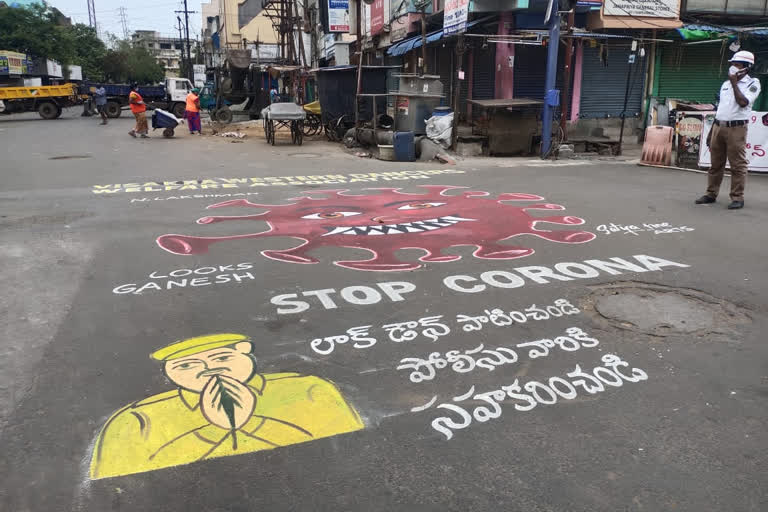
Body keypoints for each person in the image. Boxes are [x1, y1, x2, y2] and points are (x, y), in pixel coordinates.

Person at [89, 333, 364, 479]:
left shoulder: (307, 388)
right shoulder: (138, 419)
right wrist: (216, 426)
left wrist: (248, 419)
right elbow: (117, 480)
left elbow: (346, 448)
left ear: (244, 351)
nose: (208, 370)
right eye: (186, 365)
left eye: (221, 358)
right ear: (169, 371)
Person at [696, 50, 761, 210]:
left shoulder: (753, 83)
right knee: (715, 164)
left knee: (737, 165)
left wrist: (734, 83)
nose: (732, 67)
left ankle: (737, 197)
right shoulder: (725, 84)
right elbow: (721, 110)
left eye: (736, 64)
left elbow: (743, 102)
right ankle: (711, 194)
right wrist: (712, 131)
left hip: (736, 128)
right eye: (732, 64)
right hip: (719, 126)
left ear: (746, 67)